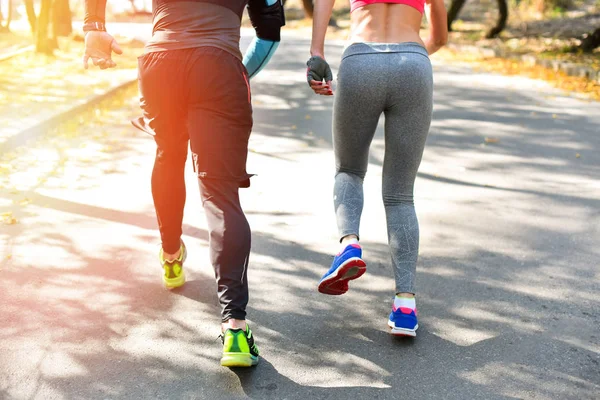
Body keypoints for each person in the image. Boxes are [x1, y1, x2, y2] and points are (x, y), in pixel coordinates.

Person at [82, 0, 285, 366]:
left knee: (168, 155)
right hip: (219, 63)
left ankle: (172, 256)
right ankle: (235, 328)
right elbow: (269, 31)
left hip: (161, 62)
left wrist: (93, 26)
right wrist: (235, 70)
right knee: (220, 193)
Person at [306, 0, 447, 337]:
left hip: (360, 61)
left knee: (349, 171)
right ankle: (405, 308)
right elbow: (440, 37)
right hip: (412, 64)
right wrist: (411, 58)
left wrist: (317, 53)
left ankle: (349, 244)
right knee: (400, 195)